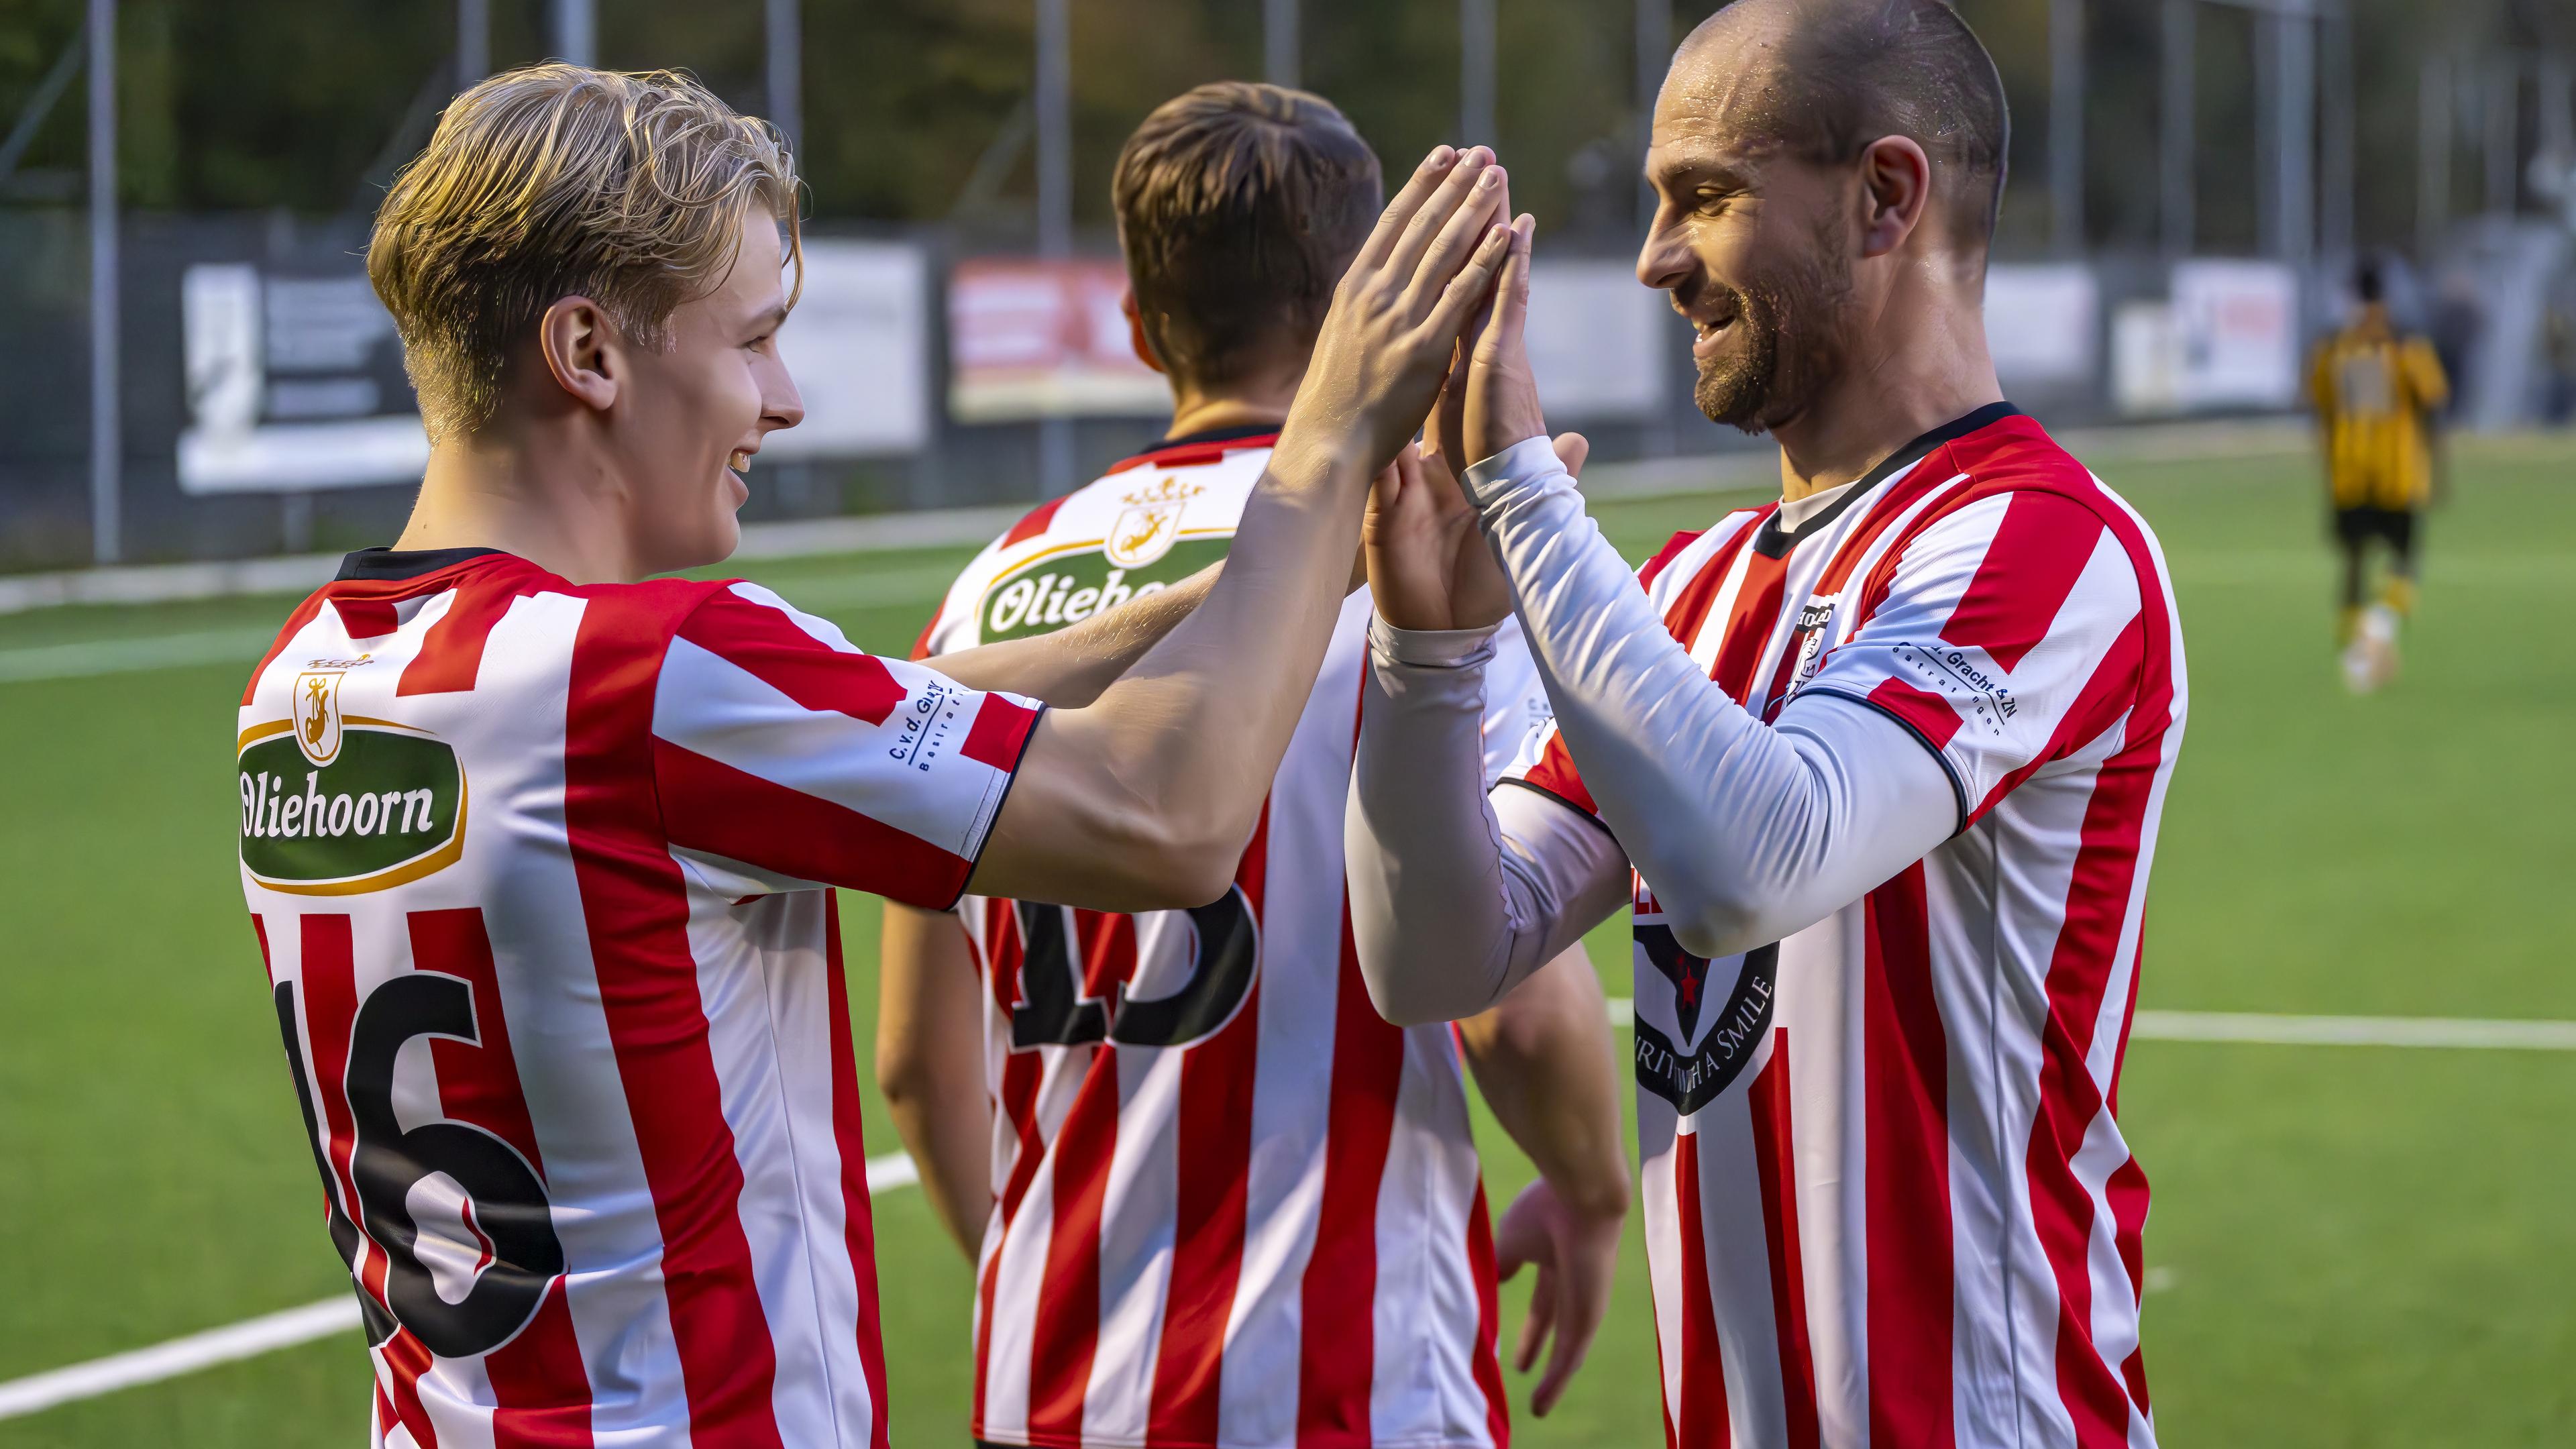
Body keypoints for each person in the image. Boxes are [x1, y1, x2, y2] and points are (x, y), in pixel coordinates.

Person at [233, 64, 1517, 1447]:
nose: (782, 400)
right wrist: (1326, 444)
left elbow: (877, 706)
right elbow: (1168, 820)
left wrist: (1237, 594)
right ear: (591, 353)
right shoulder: (649, 672)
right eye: (751, 340)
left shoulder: (309, 680)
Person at [1344, 3, 2188, 1446]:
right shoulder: (1689, 587)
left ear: (1885, 197)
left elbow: (1755, 864)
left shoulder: (2040, 544)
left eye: (1706, 196)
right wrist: (1428, 658)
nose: (1658, 258)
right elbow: (1434, 958)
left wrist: (1523, 491)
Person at [877, 83, 1629, 1449]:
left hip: (1045, 1394)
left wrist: (1077, 1283)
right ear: (1365, 309)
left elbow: (922, 1067)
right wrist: (1588, 1193)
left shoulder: (982, 601)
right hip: (1344, 1383)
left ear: (1135, 324)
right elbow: (1511, 1007)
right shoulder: (1412, 557)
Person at [2309, 258, 2451, 692]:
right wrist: (2440, 471)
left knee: (2353, 562)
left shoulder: (2334, 347)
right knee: (2405, 561)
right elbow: (2432, 407)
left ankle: (2356, 656)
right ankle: (2380, 627)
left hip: (2349, 472)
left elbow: (2321, 407)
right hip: (2397, 473)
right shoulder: (2408, 346)